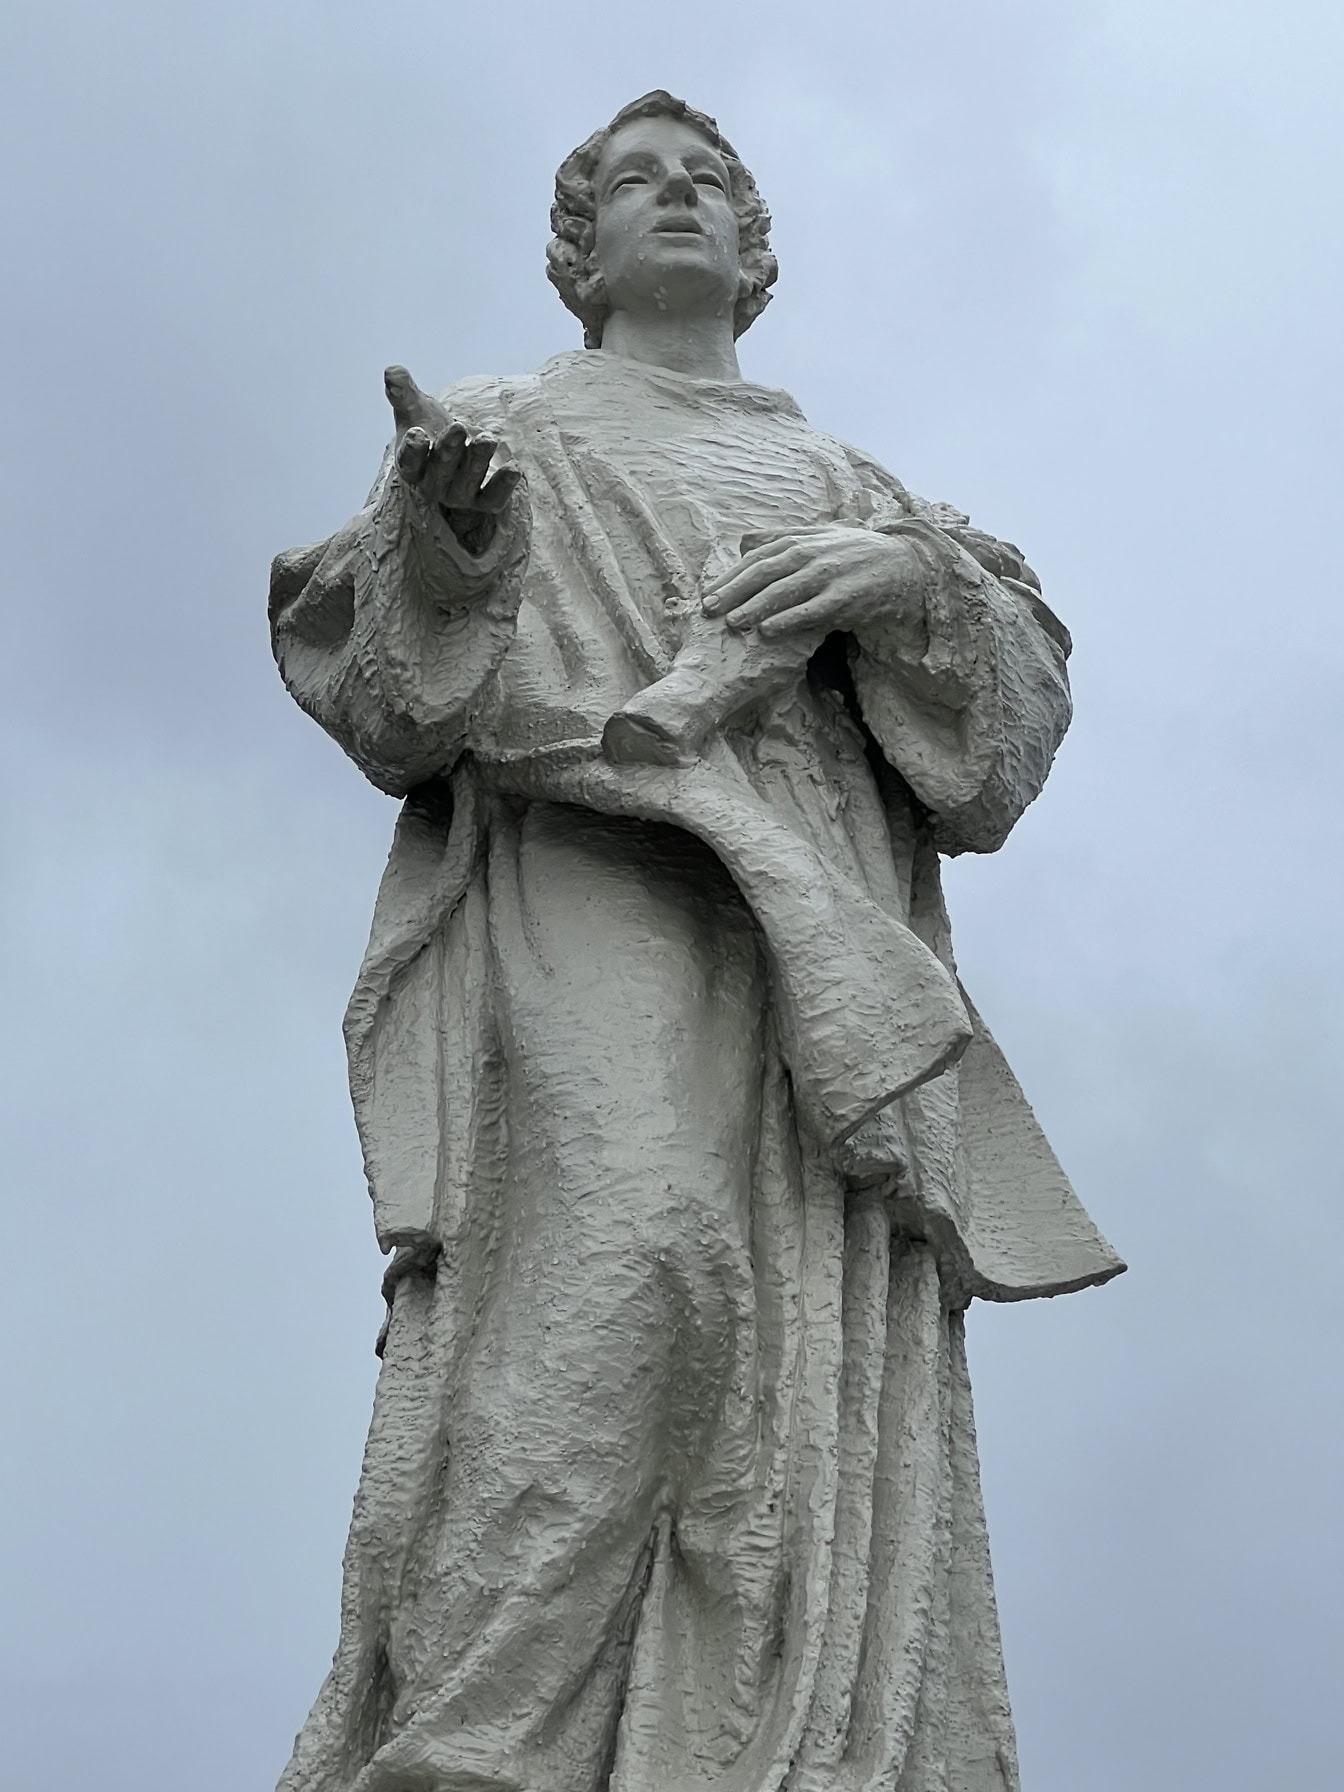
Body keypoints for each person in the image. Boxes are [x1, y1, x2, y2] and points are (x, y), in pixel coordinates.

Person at [269, 90, 1121, 1792]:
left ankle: (746, 1740)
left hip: (817, 914)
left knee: (779, 1333)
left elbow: (998, 758)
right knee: (631, 1259)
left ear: (753, 246)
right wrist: (453, 545)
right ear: (580, 254)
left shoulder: (846, 477)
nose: (677, 201)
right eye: (636, 186)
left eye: (707, 183)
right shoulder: (504, 425)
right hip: (601, 858)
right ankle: (474, 1750)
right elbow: (382, 694)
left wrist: (906, 581)